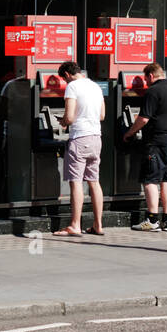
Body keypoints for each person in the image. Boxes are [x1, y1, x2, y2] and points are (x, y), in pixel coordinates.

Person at [123, 62, 167, 233]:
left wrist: (129, 133)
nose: (146, 83)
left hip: (158, 141)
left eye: (145, 79)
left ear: (150, 76)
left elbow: (143, 118)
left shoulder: (153, 91)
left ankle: (152, 220)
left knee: (150, 180)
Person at [52, 61, 105, 237]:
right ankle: (98, 225)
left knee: (76, 182)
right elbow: (102, 115)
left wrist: (63, 122)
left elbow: (69, 117)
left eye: (64, 79)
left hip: (80, 138)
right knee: (94, 182)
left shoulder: (72, 87)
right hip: (96, 137)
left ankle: (75, 225)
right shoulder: (95, 86)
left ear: (67, 75)